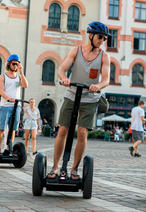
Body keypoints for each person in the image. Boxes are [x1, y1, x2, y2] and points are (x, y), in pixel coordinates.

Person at [47, 21, 110, 180]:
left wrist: (98, 85)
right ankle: (55, 167)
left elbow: (106, 79)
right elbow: (62, 70)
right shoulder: (76, 51)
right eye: (100, 37)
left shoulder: (104, 57)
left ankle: (74, 169)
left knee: (82, 133)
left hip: (90, 99)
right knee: (62, 130)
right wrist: (64, 79)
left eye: (104, 38)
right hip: (72, 95)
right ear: (91, 35)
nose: (102, 40)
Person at [0, 54, 28, 152]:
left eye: (17, 64)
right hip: (5, 105)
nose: (15, 66)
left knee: (13, 129)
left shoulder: (19, 77)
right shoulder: (3, 76)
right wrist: (8, 98)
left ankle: (8, 148)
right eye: (14, 64)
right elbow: (1, 91)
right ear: (9, 64)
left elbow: (25, 85)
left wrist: (21, 71)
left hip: (16, 106)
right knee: (1, 128)